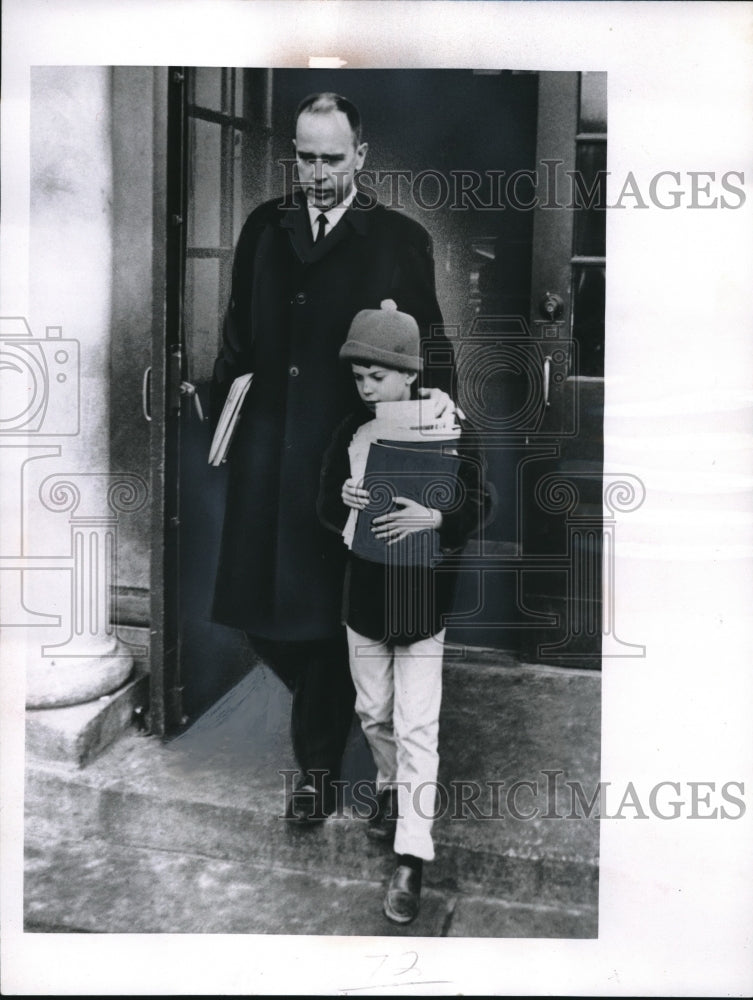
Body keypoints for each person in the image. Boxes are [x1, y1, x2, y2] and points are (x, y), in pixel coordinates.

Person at [210, 93, 457, 822]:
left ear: (360, 157)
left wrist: (427, 442)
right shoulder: (263, 227)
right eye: (304, 156)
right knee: (262, 617)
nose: (314, 173)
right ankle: (338, 734)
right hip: (266, 457)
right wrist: (233, 404)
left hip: (346, 464)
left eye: (330, 158)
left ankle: (317, 771)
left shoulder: (397, 239)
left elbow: (429, 354)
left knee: (333, 620)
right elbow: (237, 336)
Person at [317, 302, 491, 924]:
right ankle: (390, 786)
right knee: (373, 711)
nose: (366, 389)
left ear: (409, 374)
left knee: (419, 725)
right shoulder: (353, 432)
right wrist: (342, 499)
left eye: (378, 378)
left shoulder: (453, 426)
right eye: (359, 377)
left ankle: (411, 857)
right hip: (363, 596)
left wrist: (438, 517)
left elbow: (482, 501)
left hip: (423, 599)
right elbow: (323, 506)